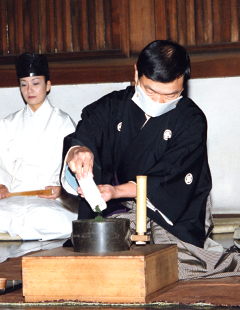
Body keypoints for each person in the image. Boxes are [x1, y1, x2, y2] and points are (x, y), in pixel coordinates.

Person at [61, 40, 240, 279]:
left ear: (183, 86)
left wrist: (116, 191)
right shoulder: (112, 107)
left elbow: (171, 177)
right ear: (136, 74)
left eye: (170, 95)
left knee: (163, 264)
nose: (157, 103)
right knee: (93, 260)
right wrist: (77, 151)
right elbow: (85, 133)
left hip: (170, 212)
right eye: (150, 91)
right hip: (114, 211)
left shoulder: (191, 119)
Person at [0, 52, 78, 241]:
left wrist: (61, 189)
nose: (29, 90)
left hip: (49, 200)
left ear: (47, 85)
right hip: (13, 195)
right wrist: (2, 184)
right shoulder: (8, 123)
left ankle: (15, 235)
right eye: (23, 84)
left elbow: (69, 165)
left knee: (53, 220)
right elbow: (2, 162)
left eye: (36, 83)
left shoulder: (63, 122)